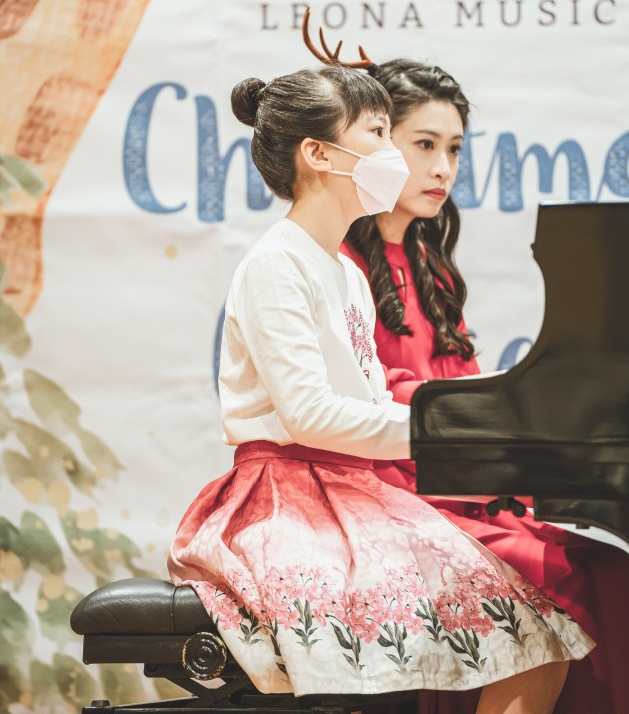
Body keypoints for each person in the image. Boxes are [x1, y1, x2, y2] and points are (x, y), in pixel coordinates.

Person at [168, 63, 594, 714]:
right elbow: (309, 415)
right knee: (517, 629)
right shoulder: (276, 262)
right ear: (318, 154)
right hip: (286, 495)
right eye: (376, 134)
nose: (392, 154)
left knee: (539, 636)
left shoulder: (344, 273)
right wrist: (438, 429)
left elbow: (369, 402)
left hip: (351, 487)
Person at [340, 56, 629, 714]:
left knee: (615, 573)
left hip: (453, 485)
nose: (443, 168)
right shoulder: (340, 265)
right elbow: (369, 400)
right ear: (376, 146)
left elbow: (462, 390)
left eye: (454, 149)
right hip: (388, 492)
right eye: (424, 145)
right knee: (556, 581)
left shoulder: (432, 268)